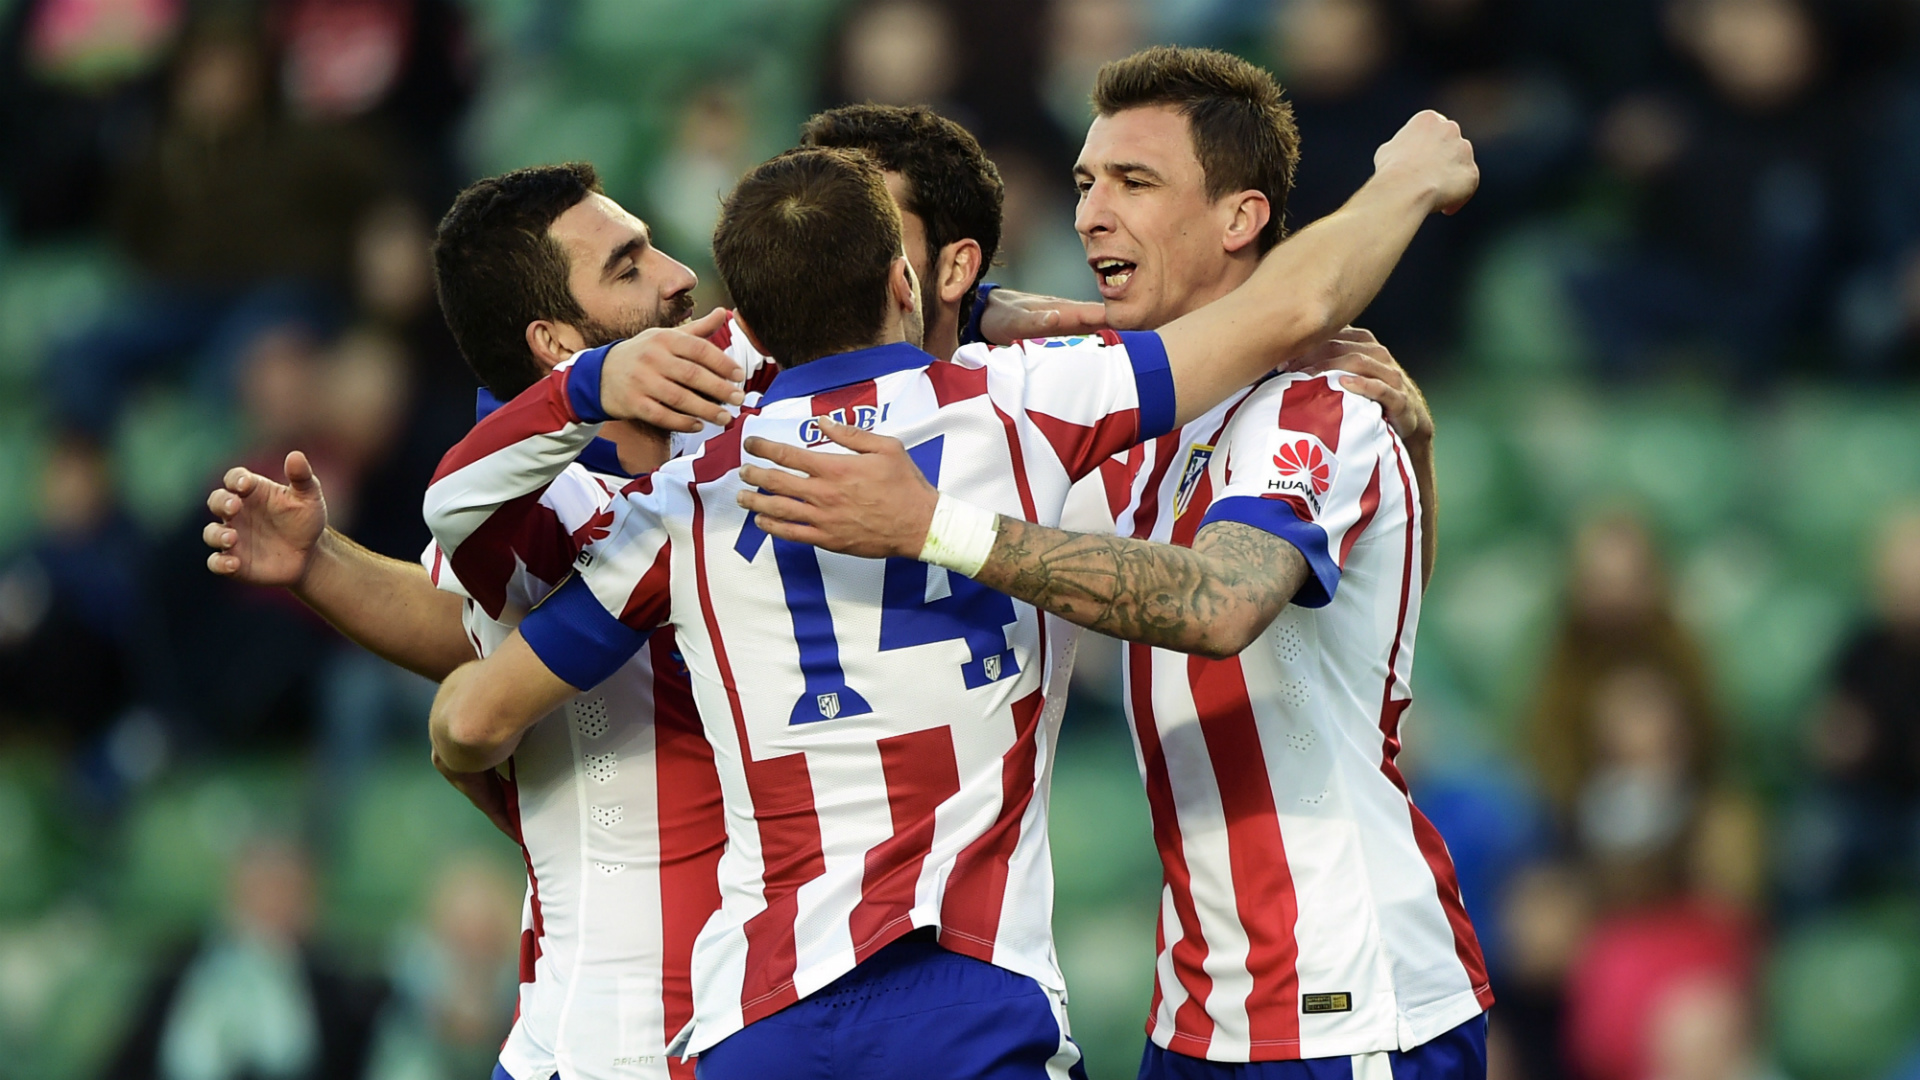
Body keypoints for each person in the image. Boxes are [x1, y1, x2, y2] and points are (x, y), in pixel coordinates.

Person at [426, 110, 1475, 1079]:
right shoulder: (1024, 406)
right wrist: (1406, 179)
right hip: (968, 991)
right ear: (904, 276)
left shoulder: (681, 501)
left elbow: (470, 714)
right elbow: (1294, 308)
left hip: (761, 1015)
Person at [204, 137, 1101, 1080]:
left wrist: (974, 307)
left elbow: (844, 307)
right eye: (629, 267)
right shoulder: (537, 510)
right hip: (583, 1035)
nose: (678, 277)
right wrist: (329, 574)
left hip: (734, 1024)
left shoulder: (749, 446)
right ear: (558, 348)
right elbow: (462, 614)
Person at [737, 46, 1489, 1080]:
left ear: (1241, 217)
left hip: (1342, 998)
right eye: (1087, 182)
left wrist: (937, 526)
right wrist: (984, 303)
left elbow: (1219, 604)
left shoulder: (1315, 405)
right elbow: (894, 355)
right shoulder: (1120, 415)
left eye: (1134, 183)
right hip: (1199, 1004)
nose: (1092, 214)